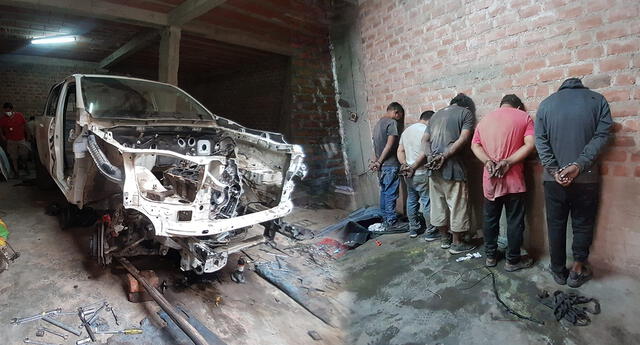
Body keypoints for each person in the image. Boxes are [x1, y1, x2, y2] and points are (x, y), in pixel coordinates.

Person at [535, 78, 612, 288]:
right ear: (581, 87)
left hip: (553, 180)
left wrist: (553, 169)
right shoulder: (598, 101)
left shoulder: (546, 104)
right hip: (586, 177)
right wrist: (579, 165)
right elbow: (602, 135)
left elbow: (540, 141)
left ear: (562, 88)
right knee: (583, 222)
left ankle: (558, 270)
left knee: (556, 223)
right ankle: (577, 270)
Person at [471, 94, 535, 271]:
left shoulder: (484, 121)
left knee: (490, 219)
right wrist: (508, 162)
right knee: (514, 220)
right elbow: (530, 145)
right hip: (514, 181)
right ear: (518, 107)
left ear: (501, 105)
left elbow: (475, 146)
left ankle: (490, 257)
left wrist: (488, 162)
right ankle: (512, 261)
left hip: (490, 180)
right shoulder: (524, 117)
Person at [421, 93, 476, 254]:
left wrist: (431, 156)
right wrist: (444, 156)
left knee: (438, 204)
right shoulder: (466, 113)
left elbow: (424, 140)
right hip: (453, 168)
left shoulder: (435, 115)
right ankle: (457, 243)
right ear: (466, 106)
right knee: (458, 204)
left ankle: (444, 238)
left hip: (433, 168)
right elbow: (463, 139)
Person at [397, 110, 440, 240]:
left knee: (411, 199)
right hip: (421, 172)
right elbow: (424, 152)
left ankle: (413, 229)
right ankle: (430, 232)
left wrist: (405, 165)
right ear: (430, 120)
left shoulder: (407, 131)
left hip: (408, 174)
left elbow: (400, 150)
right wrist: (414, 166)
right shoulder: (426, 131)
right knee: (426, 201)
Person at [371, 102, 404, 227]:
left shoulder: (378, 124)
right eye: (400, 115)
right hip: (389, 164)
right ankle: (391, 221)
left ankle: (385, 219)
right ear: (396, 112)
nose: (399, 118)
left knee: (384, 192)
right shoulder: (391, 123)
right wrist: (379, 161)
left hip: (381, 166)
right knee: (390, 193)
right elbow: (389, 145)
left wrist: (377, 162)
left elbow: (375, 146)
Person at [0, 103, 29, 177]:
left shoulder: (19, 115)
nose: (7, 112)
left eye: (8, 110)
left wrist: (28, 135)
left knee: (24, 155)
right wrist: (2, 136)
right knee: (13, 157)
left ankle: (25, 166)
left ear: (12, 109)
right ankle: (16, 172)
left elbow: (25, 125)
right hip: (11, 141)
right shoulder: (3, 119)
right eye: (6, 111)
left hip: (21, 139)